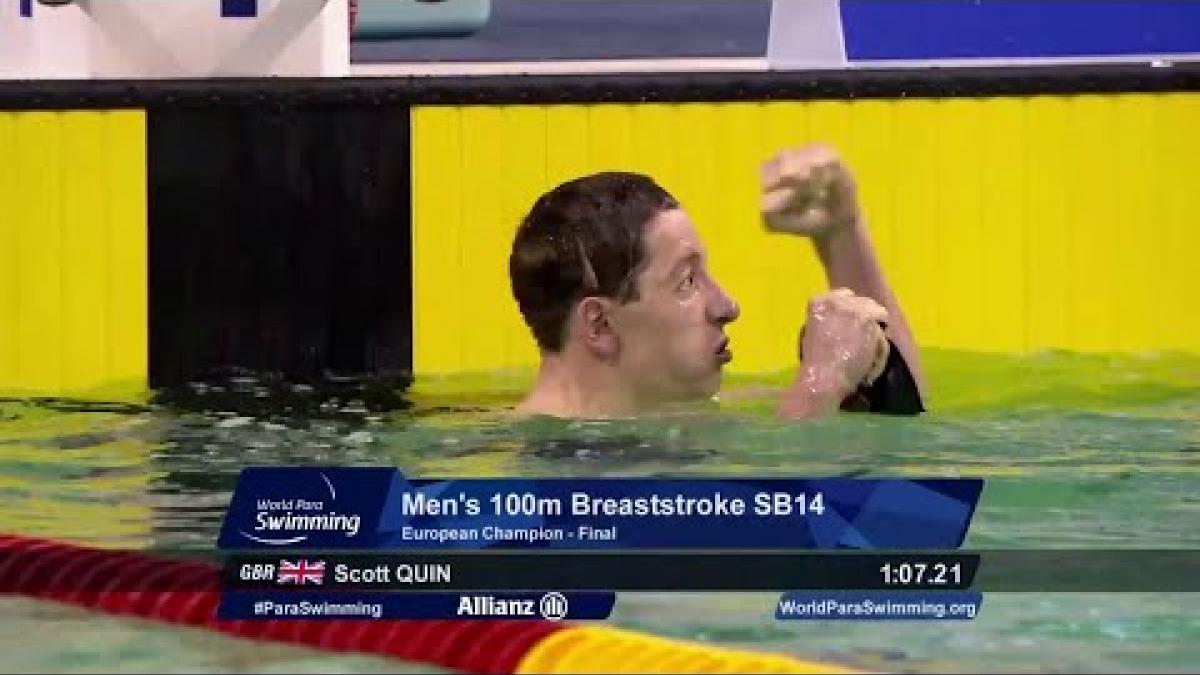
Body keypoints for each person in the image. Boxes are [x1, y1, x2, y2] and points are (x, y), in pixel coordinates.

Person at [507, 144, 924, 419]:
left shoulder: (682, 415)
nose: (727, 305)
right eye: (687, 281)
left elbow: (910, 429)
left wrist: (842, 235)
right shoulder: (547, 476)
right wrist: (818, 388)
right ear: (599, 325)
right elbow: (773, 530)